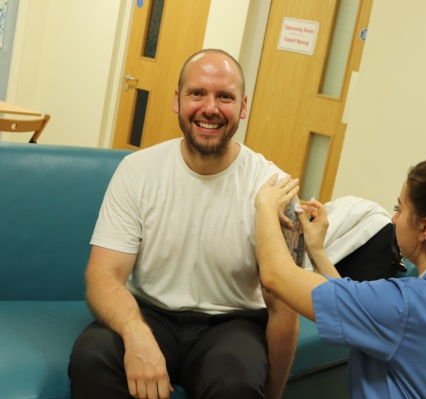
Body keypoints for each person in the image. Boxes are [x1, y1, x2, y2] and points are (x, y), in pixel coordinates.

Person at [69, 49, 299, 399]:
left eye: (225, 96)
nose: (210, 108)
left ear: (244, 106)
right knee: (94, 356)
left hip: (231, 324)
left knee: (236, 380)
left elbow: (284, 309)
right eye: (197, 93)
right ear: (177, 100)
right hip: (149, 313)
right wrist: (135, 332)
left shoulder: (273, 189)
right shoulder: (137, 171)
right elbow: (102, 275)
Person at [255, 158, 426, 398]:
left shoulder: (407, 305)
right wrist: (317, 251)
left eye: (400, 209)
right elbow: (353, 303)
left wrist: (265, 205)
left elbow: (276, 276)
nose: (393, 219)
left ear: (425, 228)